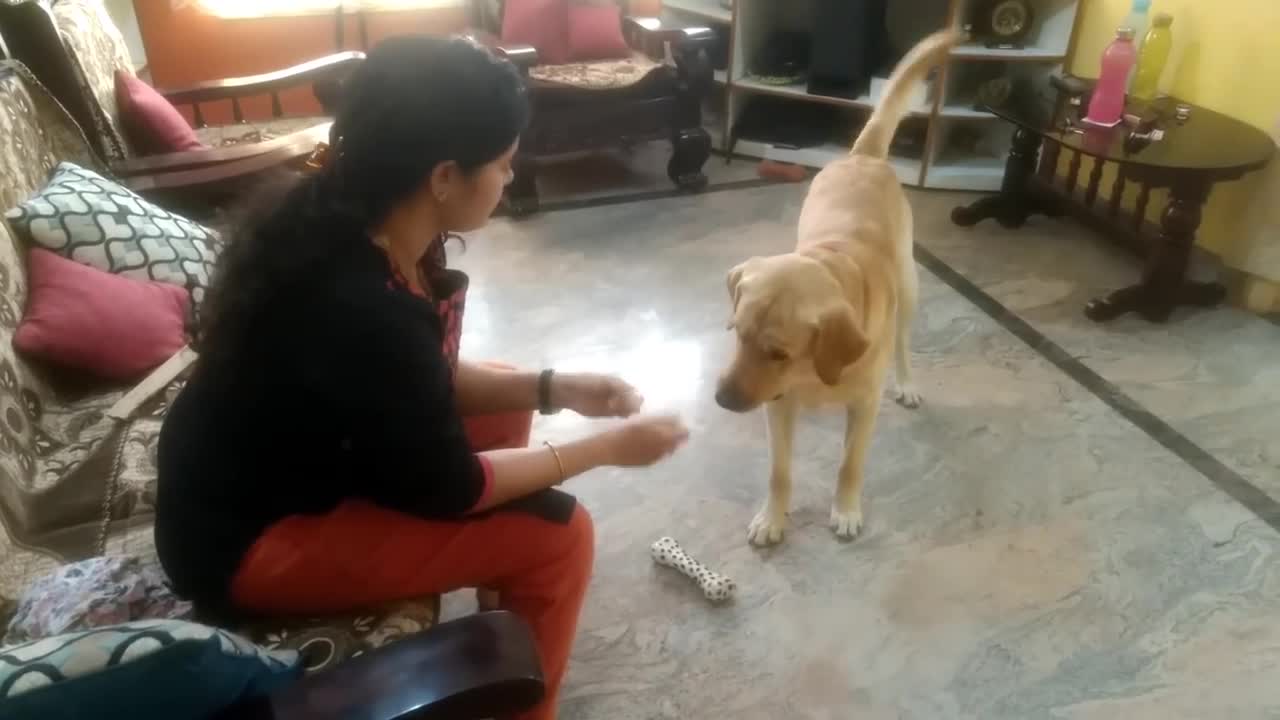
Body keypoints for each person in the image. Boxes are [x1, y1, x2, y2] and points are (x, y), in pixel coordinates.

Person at [154, 36, 689, 720]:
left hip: (281, 470)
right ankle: (525, 706)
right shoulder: (361, 304)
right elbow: (452, 486)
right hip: (249, 544)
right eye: (501, 165)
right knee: (562, 534)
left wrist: (556, 386)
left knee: (499, 389)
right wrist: (606, 449)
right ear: (443, 177)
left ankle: (504, 599)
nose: (507, 179)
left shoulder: (350, 213)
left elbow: (415, 376)